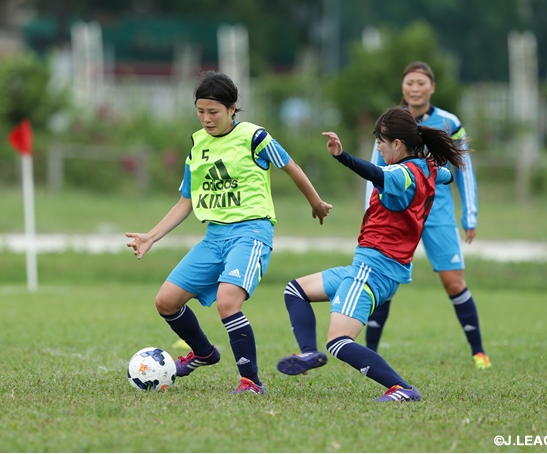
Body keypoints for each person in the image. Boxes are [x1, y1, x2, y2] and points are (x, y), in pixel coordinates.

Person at [125, 71, 332, 395]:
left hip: (251, 233)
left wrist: (316, 202)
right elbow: (186, 201)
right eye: (201, 111)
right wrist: (151, 236)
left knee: (227, 302)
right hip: (214, 237)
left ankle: (250, 381)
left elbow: (291, 167)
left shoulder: (255, 137)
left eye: (213, 112)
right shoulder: (196, 146)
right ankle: (204, 353)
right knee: (166, 301)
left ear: (233, 108)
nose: (206, 119)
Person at [276, 107, 467, 401]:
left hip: (374, 268)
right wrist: (428, 162)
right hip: (372, 267)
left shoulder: (401, 173)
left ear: (397, 145)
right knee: (295, 290)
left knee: (339, 342)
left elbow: (376, 172)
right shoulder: (428, 169)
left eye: (380, 142)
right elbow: (446, 177)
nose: (378, 148)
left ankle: (402, 389)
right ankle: (309, 354)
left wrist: (342, 157)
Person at [363, 61, 490, 369]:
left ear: (432, 87)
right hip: (397, 214)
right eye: (410, 83)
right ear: (403, 88)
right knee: (384, 279)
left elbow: (464, 168)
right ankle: (370, 351)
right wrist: (370, 211)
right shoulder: (392, 121)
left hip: (437, 213)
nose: (415, 88)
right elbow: (375, 169)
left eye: (421, 83)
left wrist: (469, 214)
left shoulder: (448, 122)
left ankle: (478, 352)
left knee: (453, 282)